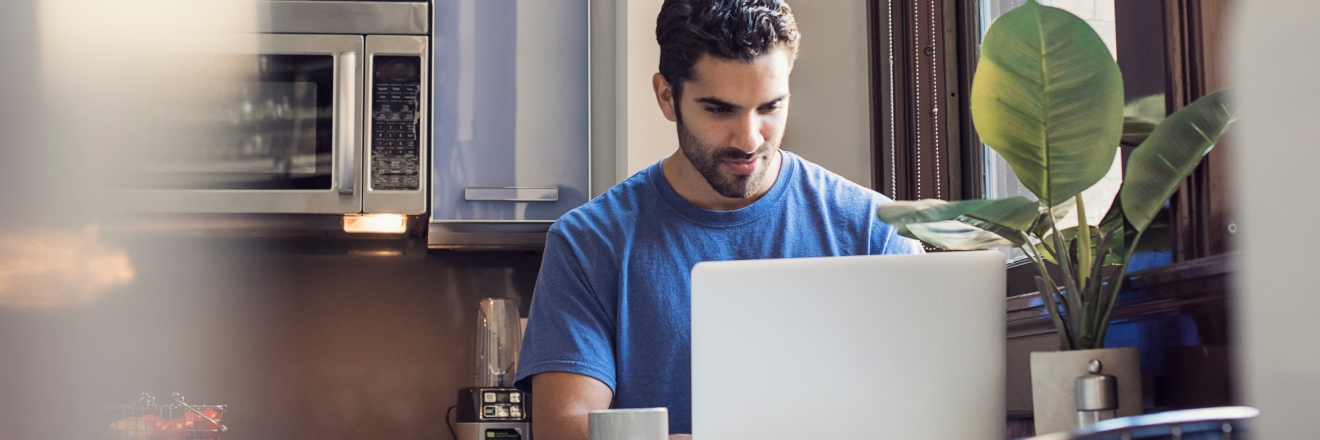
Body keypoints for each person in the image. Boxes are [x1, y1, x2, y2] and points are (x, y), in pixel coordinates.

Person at [513, 0, 924, 438]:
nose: (749, 139)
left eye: (770, 107)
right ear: (667, 97)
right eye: (719, 110)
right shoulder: (588, 244)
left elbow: (925, 409)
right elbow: (564, 428)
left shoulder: (877, 233)